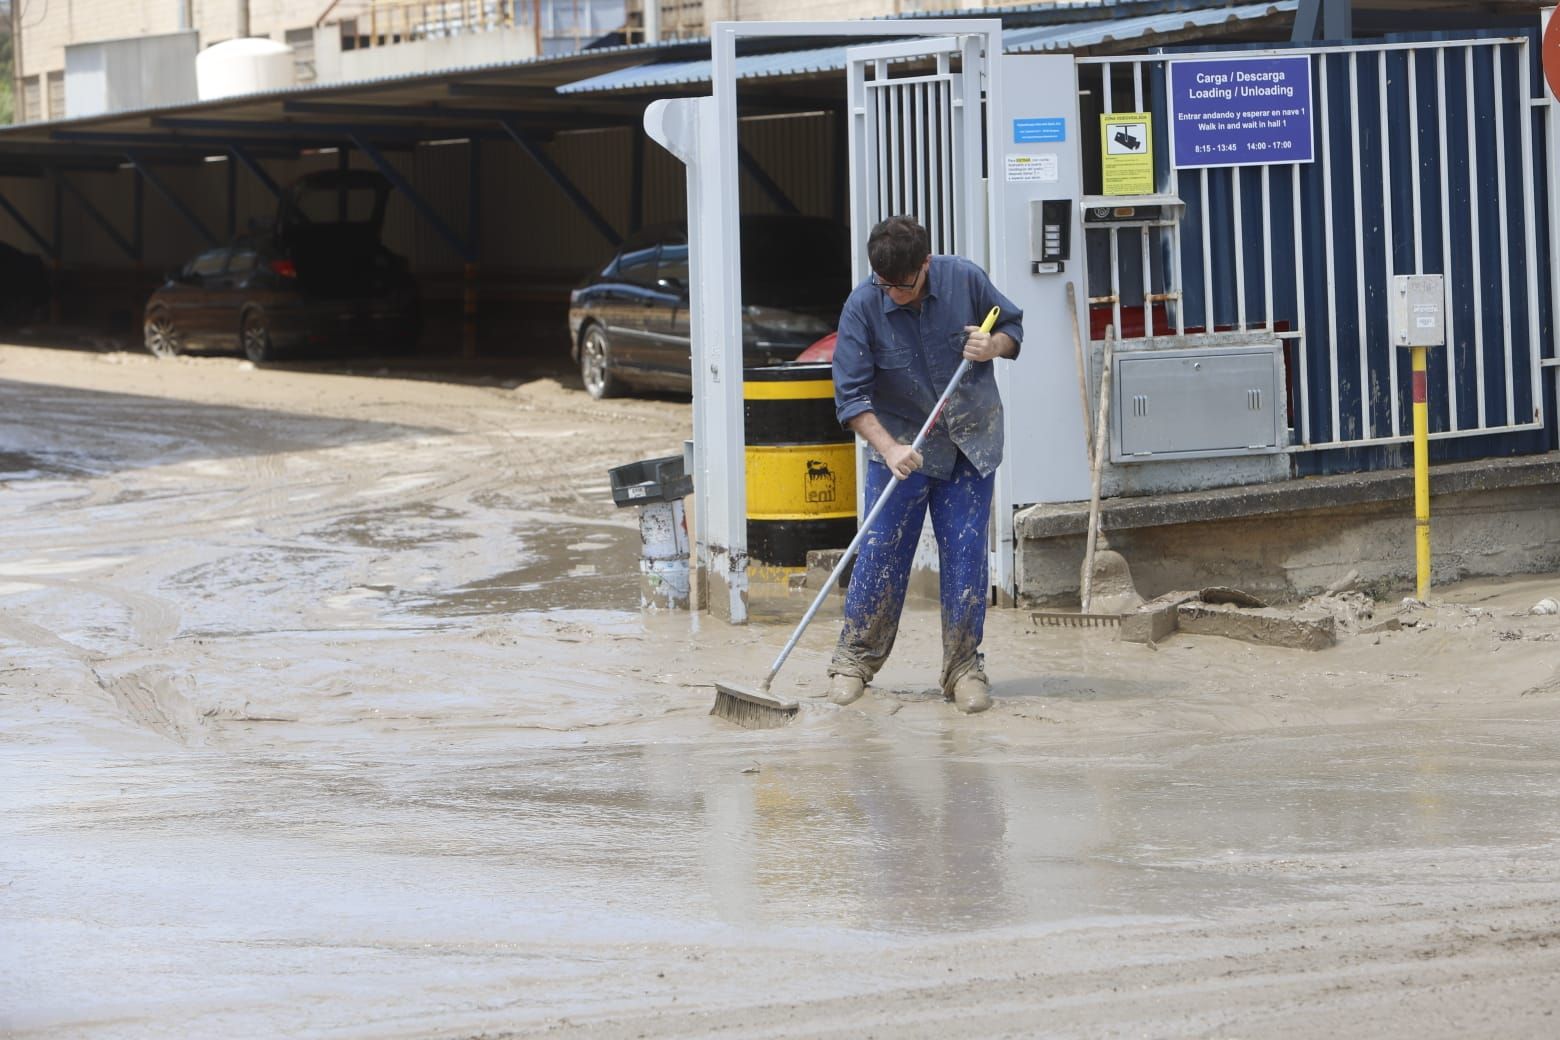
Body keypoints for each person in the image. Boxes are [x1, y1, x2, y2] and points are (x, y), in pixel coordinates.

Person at [826, 215, 1023, 715]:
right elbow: (850, 398)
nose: (893, 293)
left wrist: (992, 344)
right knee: (880, 552)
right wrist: (889, 448)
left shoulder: (965, 280)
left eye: (903, 284)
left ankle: (963, 668)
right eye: (884, 284)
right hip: (900, 448)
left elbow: (1013, 328)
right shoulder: (863, 306)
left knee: (965, 557)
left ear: (926, 265)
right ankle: (854, 660)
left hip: (969, 443)